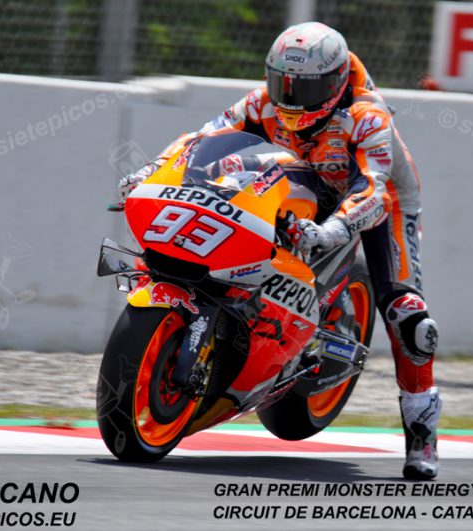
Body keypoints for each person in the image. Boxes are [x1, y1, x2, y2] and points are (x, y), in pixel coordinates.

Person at [114, 22, 442, 479]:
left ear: (334, 82)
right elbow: (199, 140)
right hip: (306, 179)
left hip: (379, 202)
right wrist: (149, 172)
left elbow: (371, 189)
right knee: (230, 173)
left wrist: (333, 230)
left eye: (303, 88)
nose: (289, 97)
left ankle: (422, 434)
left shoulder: (368, 117)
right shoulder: (261, 102)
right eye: (281, 83)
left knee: (409, 317)